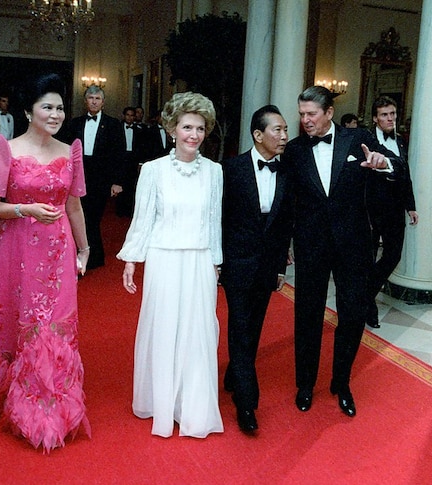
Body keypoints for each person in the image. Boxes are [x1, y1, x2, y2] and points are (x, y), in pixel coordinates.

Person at [0, 73, 91, 452]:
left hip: (58, 251)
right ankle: (12, 398)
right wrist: (24, 208)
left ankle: (47, 408)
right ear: (28, 110)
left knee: (52, 327)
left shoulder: (70, 151)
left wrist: (84, 250)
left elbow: (74, 205)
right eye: (47, 107)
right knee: (18, 323)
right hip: (18, 250)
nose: (55, 114)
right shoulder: (5, 148)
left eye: (59, 108)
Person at [284, 85, 398, 418]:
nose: (305, 120)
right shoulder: (294, 151)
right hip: (310, 246)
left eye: (312, 114)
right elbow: (286, 202)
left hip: (353, 246)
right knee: (307, 316)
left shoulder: (357, 138)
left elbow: (396, 170)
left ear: (329, 113)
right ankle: (305, 384)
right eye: (302, 114)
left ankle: (342, 383)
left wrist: (383, 163)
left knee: (351, 314)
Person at [117, 92, 224, 438]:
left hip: (198, 259)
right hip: (163, 257)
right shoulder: (153, 170)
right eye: (187, 127)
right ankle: (161, 401)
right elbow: (143, 218)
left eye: (200, 128)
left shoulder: (215, 171)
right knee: (163, 327)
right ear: (172, 129)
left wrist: (215, 263)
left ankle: (191, 406)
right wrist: (132, 259)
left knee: (197, 331)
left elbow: (214, 221)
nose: (194, 134)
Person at [220, 105, 293, 433]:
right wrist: (218, 261)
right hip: (237, 261)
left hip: (267, 265)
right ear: (258, 135)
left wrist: (280, 268)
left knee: (255, 325)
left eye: (286, 130)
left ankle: (235, 372)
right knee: (240, 324)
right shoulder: (230, 170)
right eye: (277, 130)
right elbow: (219, 219)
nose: (284, 136)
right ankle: (247, 404)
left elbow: (285, 224)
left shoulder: (288, 171)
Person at [58, 85, 127, 269]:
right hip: (77, 176)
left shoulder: (113, 125)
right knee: (78, 216)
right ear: (85, 101)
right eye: (91, 98)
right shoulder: (74, 123)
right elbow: (65, 150)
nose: (94, 101)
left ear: (103, 102)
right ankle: (89, 255)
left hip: (101, 178)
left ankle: (92, 256)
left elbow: (120, 154)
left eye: (97, 98)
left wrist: (117, 182)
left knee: (92, 217)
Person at [366, 96, 418, 329]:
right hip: (369, 209)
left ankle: (365, 293)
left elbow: (405, 174)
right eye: (384, 115)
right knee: (367, 258)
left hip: (395, 209)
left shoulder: (402, 141)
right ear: (375, 118)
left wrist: (411, 205)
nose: (390, 119)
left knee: (393, 255)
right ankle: (369, 306)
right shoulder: (365, 140)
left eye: (393, 114)